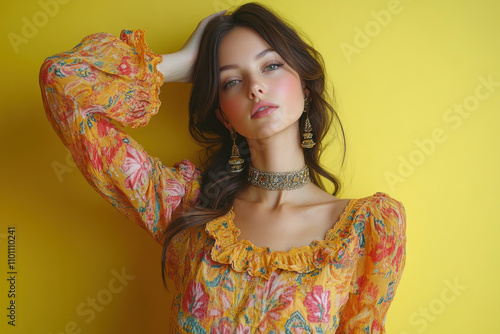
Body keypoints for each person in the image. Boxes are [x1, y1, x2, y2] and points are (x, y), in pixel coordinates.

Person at [39, 2, 406, 333]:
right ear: (223, 116)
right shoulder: (184, 206)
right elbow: (60, 82)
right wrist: (178, 63)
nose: (255, 87)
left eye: (272, 66)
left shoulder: (365, 231)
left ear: (305, 87)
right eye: (232, 80)